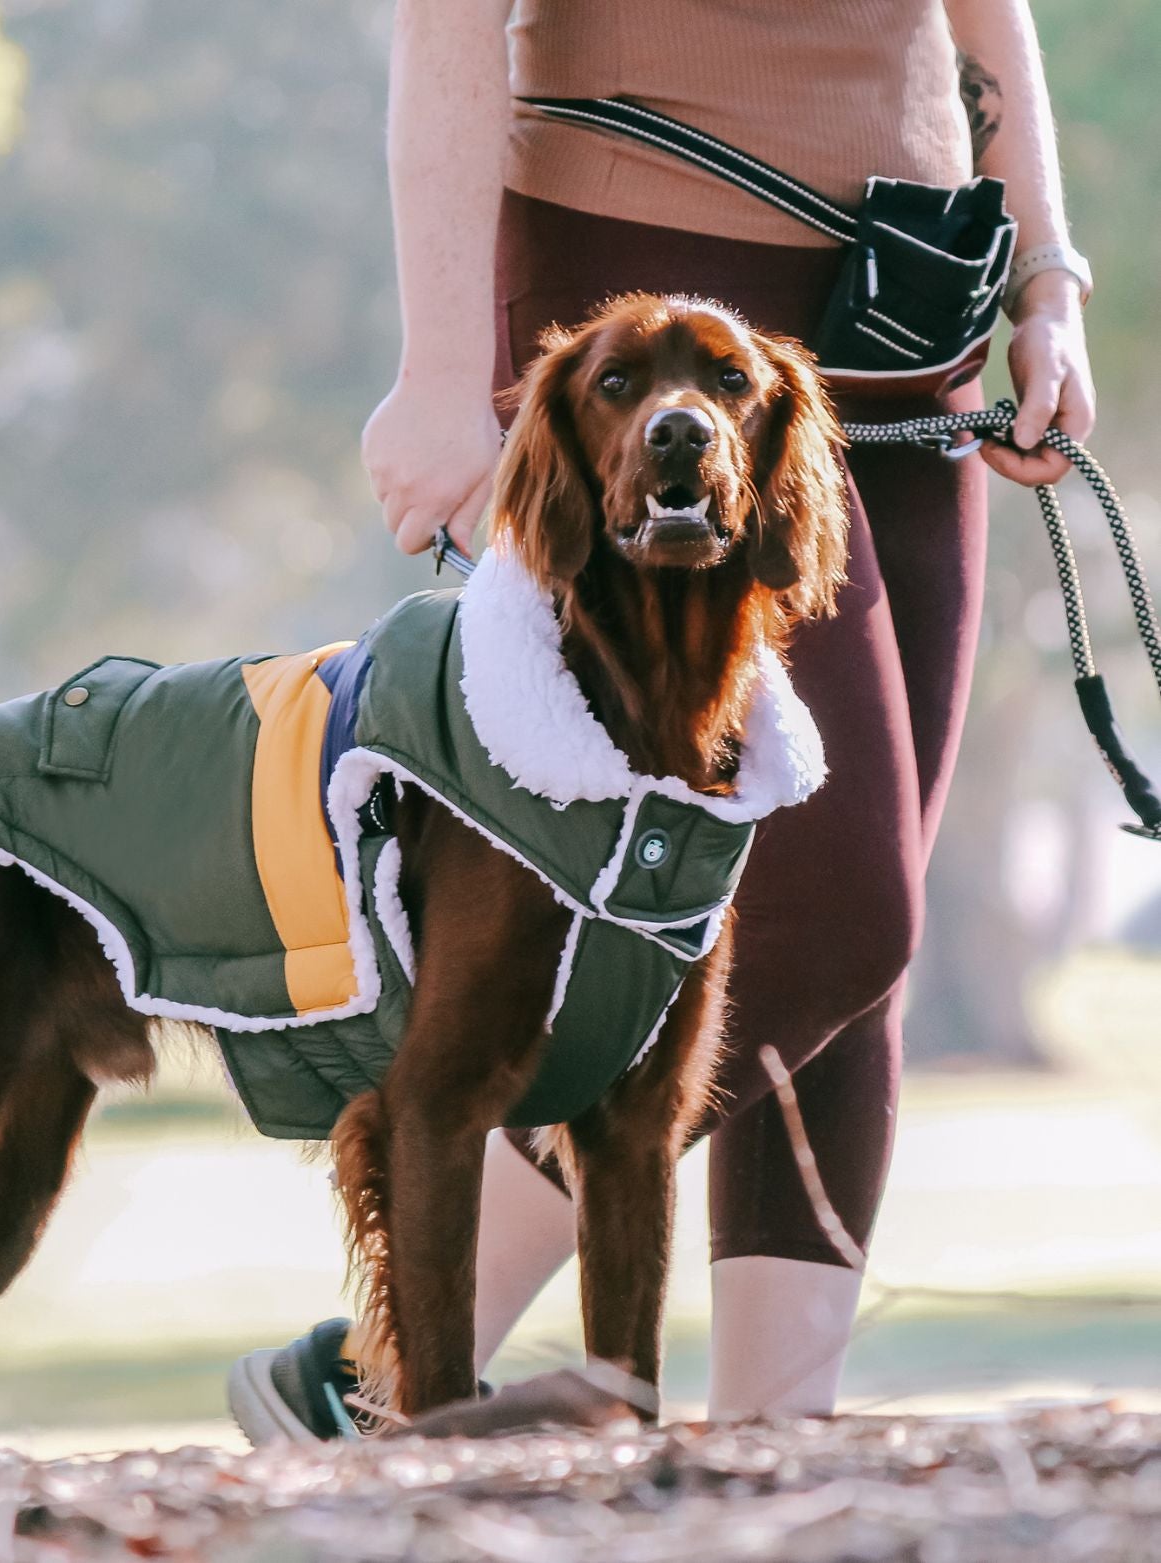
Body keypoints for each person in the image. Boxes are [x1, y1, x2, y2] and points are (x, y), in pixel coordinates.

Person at [228, 0, 1096, 1441]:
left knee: (844, 939)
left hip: (912, 291)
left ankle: (768, 1447)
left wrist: (1046, 272)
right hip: (642, 270)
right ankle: (372, 1371)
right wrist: (442, 368)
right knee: (840, 905)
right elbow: (446, 30)